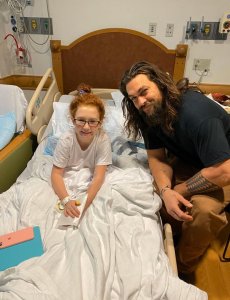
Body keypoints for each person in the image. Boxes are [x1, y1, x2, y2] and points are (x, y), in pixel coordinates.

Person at [119, 61, 230, 275]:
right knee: (146, 193)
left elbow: (224, 171)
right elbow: (156, 157)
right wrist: (165, 191)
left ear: (160, 84)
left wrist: (179, 191)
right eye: (134, 98)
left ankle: (181, 268)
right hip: (192, 160)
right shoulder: (148, 113)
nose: (141, 102)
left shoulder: (196, 116)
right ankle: (161, 244)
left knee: (202, 212)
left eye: (144, 92)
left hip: (223, 166)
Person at [51, 84, 112, 219]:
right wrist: (66, 201)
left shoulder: (102, 139)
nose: (86, 127)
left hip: (89, 184)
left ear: (100, 123)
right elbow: (56, 174)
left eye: (92, 122)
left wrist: (84, 203)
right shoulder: (67, 140)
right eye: (81, 121)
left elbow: (98, 176)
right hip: (66, 180)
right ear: (73, 120)